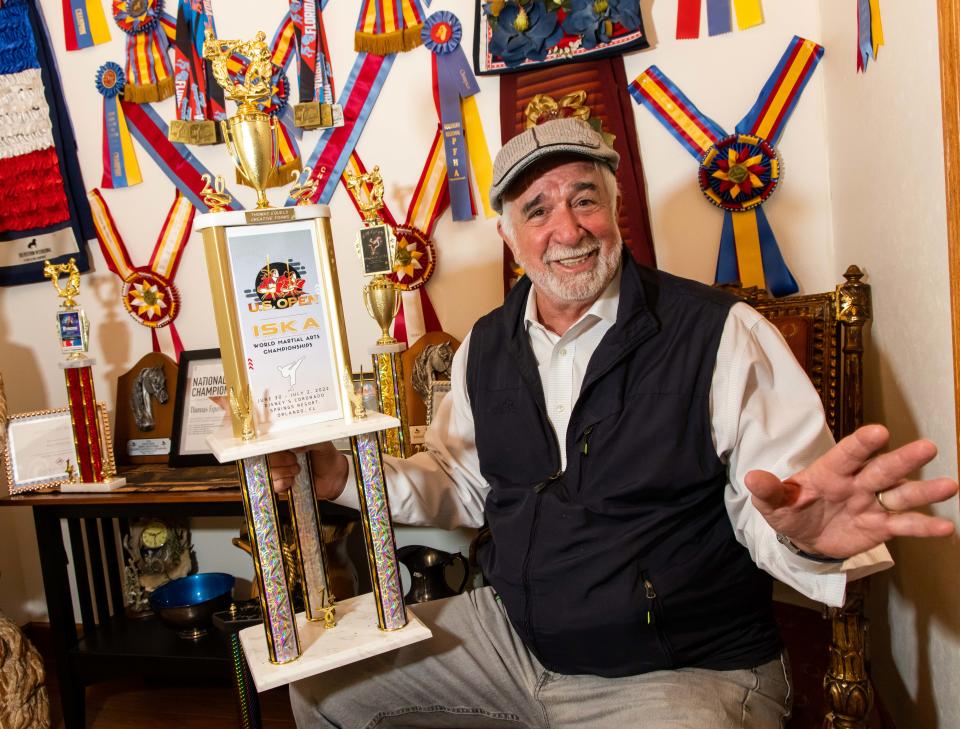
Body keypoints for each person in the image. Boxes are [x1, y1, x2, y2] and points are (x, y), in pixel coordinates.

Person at [269, 118, 958, 728]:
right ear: (508, 234)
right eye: (536, 209)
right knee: (323, 687)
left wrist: (808, 539)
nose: (566, 230)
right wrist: (338, 476)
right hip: (513, 636)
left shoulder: (721, 334)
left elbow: (782, 504)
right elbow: (458, 481)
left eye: (584, 199)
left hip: (680, 668)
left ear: (617, 208)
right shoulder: (486, 344)